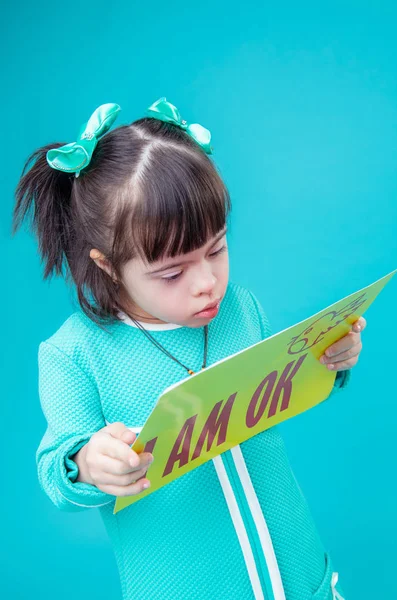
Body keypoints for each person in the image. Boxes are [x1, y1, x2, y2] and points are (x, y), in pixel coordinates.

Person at [12, 97, 365, 600]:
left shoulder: (242, 309)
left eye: (217, 249)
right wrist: (88, 462)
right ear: (108, 264)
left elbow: (293, 383)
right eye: (173, 272)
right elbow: (56, 468)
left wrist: (334, 359)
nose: (208, 283)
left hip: (301, 574)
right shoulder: (74, 354)